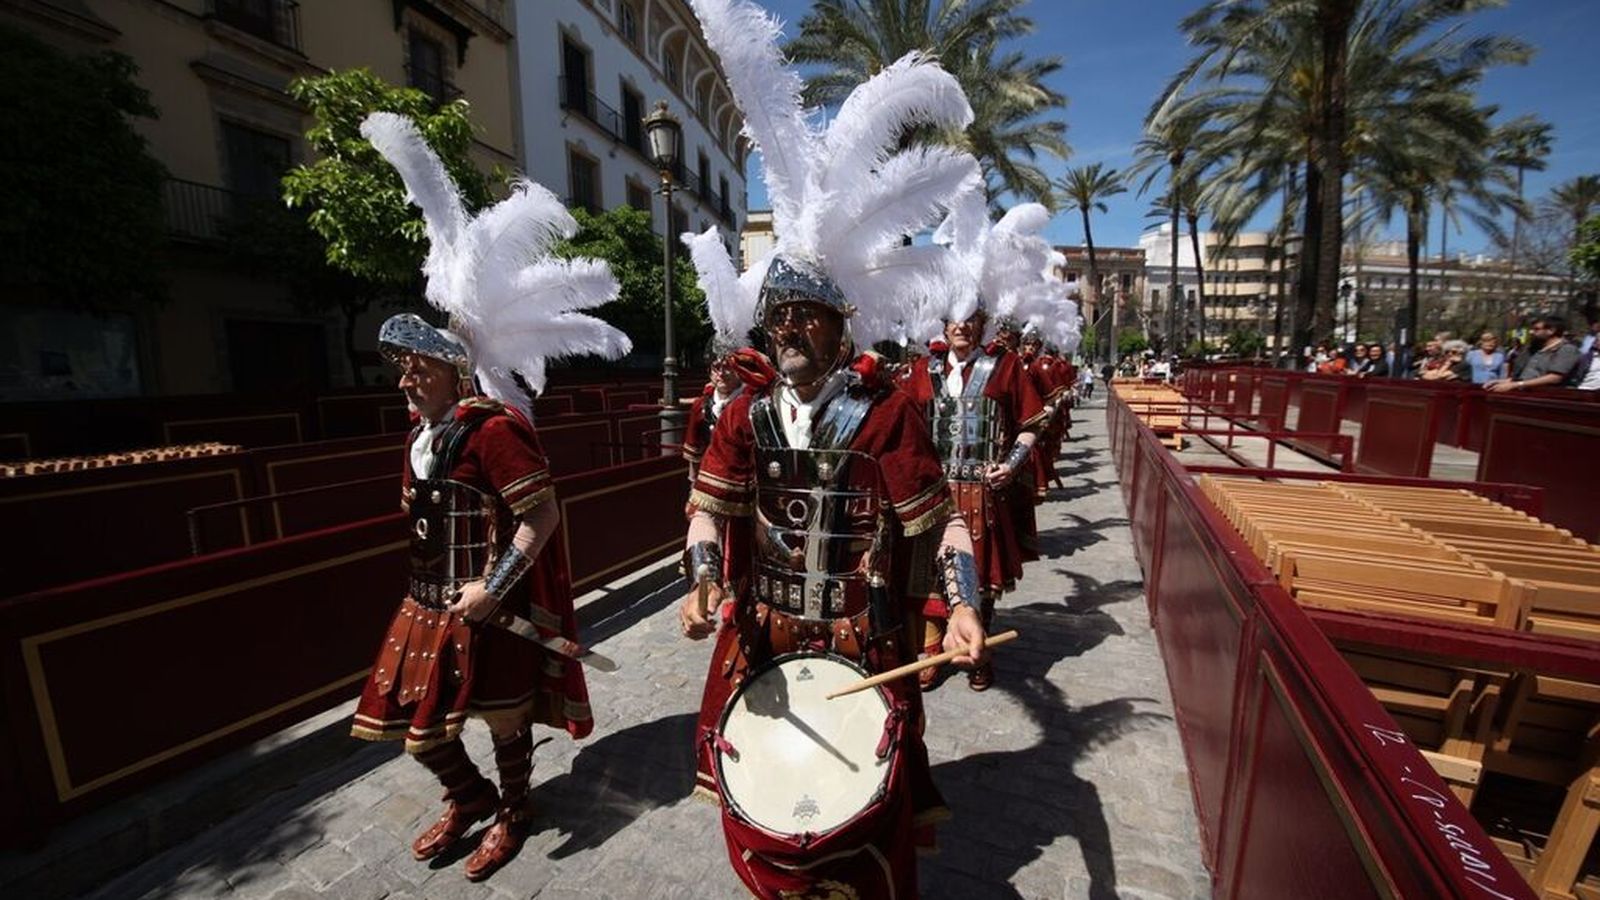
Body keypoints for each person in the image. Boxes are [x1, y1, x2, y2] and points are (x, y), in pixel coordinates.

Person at [676, 3, 987, 895]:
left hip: (865, 634)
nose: (786, 331)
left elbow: (944, 527)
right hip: (766, 633)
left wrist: (960, 605)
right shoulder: (744, 414)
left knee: (866, 824)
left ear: (837, 320)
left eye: (803, 315)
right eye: (776, 317)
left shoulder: (885, 412)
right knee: (764, 807)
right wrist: (702, 578)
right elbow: (709, 508)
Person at [348, 113, 631, 882]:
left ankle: (514, 808)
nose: (405, 378)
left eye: (417, 367)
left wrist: (494, 586)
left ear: (452, 370)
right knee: (420, 731)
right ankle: (468, 798)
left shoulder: (494, 429)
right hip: (425, 601)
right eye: (399, 367)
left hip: (486, 601)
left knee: (504, 719)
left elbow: (542, 514)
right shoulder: (419, 435)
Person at [1488, 314, 1583, 392]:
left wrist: (1516, 385)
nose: (1531, 332)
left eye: (1536, 329)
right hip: (1527, 395)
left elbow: (1555, 378)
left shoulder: (1567, 350)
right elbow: (1528, 376)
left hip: (1549, 398)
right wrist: (1504, 382)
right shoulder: (1535, 350)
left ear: (1551, 331)